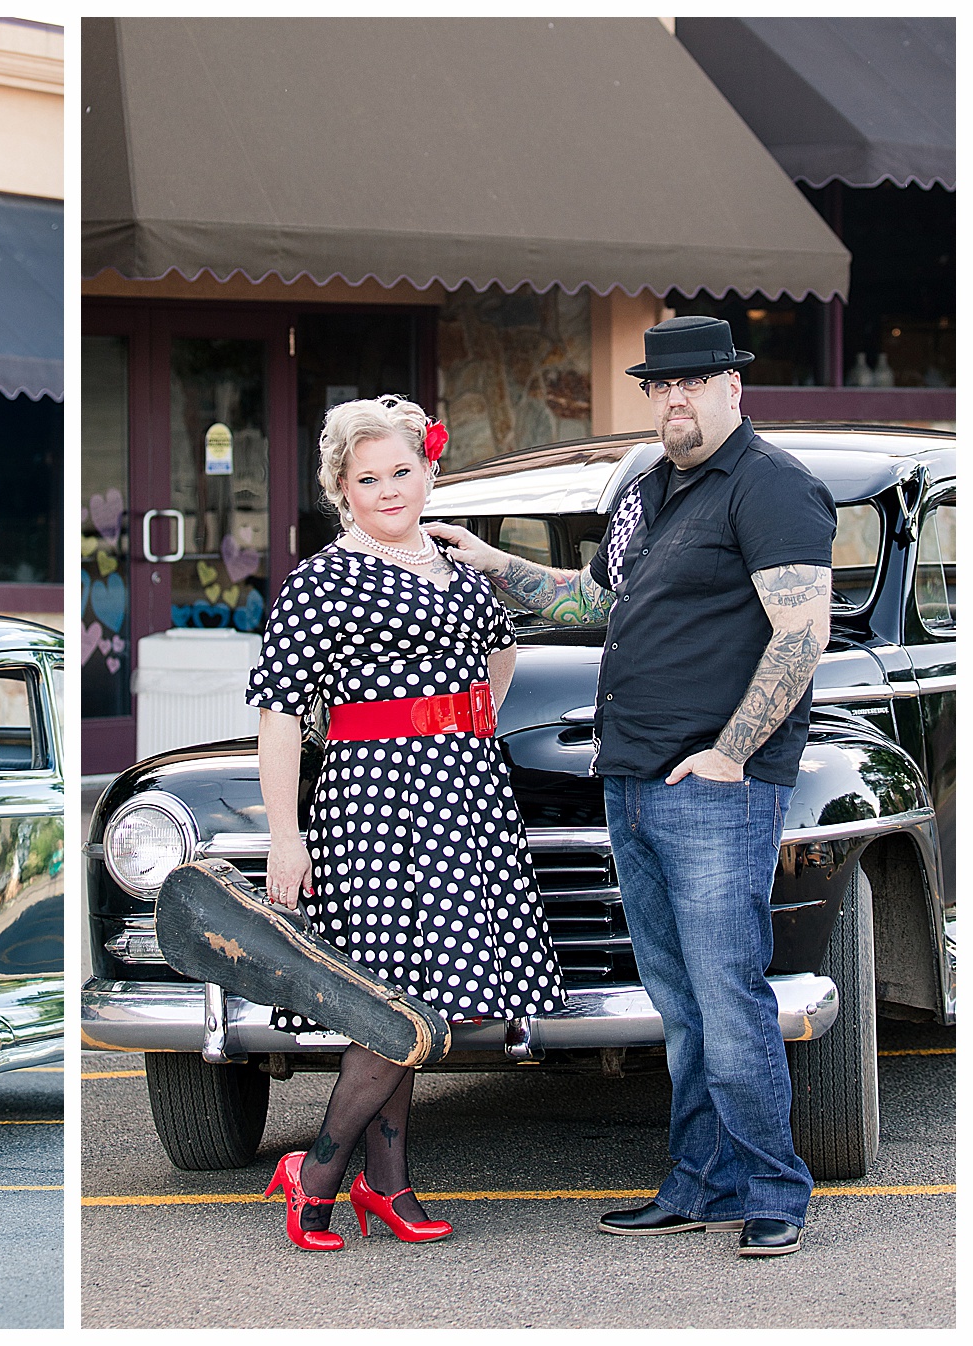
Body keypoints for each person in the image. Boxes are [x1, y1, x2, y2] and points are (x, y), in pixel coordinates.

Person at [427, 315, 835, 1258]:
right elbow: (603, 603)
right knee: (679, 1003)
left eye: (692, 384)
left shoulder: (773, 487)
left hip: (713, 787)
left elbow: (800, 633)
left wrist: (732, 751)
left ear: (734, 387)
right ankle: (699, 1183)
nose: (674, 401)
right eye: (659, 387)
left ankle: (774, 1191)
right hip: (634, 777)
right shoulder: (647, 490)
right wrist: (495, 567)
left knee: (728, 998)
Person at [247, 396, 565, 1251]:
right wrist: (287, 834)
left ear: (428, 471)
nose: (389, 490)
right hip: (376, 806)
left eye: (402, 471)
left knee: (424, 1002)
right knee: (394, 1005)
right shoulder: (323, 580)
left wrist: (462, 723)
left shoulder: (463, 568)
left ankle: (386, 1185)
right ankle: (313, 1177)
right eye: (367, 478)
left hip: (466, 798)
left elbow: (499, 658)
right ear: (341, 490)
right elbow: (280, 715)